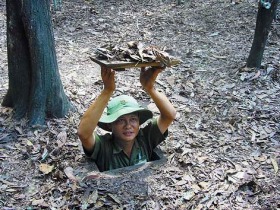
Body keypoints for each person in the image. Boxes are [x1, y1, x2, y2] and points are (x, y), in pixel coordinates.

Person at [77, 66, 176, 172]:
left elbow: (169, 115)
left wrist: (150, 88)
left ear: (139, 121)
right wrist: (107, 90)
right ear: (110, 124)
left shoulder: (145, 138)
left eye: (133, 119)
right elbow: (84, 133)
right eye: (121, 120)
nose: (128, 126)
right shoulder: (103, 146)